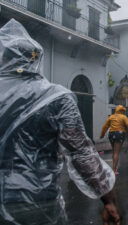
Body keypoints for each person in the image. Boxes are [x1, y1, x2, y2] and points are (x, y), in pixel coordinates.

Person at [0, 19, 120, 225]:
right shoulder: (57, 97)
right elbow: (81, 153)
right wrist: (108, 199)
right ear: (36, 61)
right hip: (40, 202)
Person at [100, 105, 128, 174]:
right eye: (123, 111)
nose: (124, 112)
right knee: (117, 153)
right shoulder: (123, 117)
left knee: (114, 152)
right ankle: (114, 170)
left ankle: (114, 167)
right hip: (119, 134)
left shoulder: (111, 117)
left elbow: (105, 126)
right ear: (122, 111)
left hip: (111, 134)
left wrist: (102, 135)